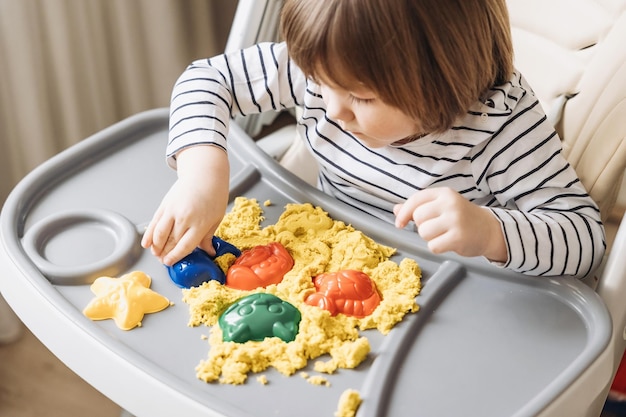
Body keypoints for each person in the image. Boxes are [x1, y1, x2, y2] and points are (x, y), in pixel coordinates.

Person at [141, 0, 606, 279]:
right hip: (326, 253)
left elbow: (583, 237)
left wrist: (488, 231)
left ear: (441, 81)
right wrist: (202, 177)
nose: (329, 107)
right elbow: (205, 80)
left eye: (360, 98)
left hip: (443, 285)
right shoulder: (328, 66)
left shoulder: (499, 124)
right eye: (318, 85)